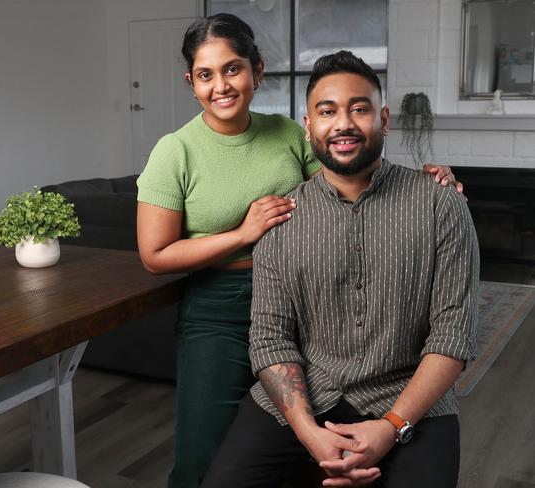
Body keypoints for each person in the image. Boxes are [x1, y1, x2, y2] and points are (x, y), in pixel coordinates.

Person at [136, 14, 462, 488]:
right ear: (191, 82)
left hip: (308, 297)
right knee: (202, 455)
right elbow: (154, 255)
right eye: (206, 75)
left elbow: (347, 171)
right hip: (220, 307)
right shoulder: (175, 151)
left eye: (232, 69)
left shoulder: (289, 133)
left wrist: (427, 183)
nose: (221, 85)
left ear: (257, 71)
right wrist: (245, 233)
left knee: (297, 441)